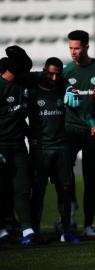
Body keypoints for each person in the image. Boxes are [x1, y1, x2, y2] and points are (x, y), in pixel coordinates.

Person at [63, 30, 95, 237]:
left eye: (77, 48)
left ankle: (88, 225)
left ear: (86, 47)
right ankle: (70, 210)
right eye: (71, 48)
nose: (73, 52)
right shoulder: (65, 72)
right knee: (65, 175)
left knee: (91, 179)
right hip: (69, 130)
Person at [27, 57, 80, 244]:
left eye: (58, 74)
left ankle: (67, 231)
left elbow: (72, 92)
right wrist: (31, 136)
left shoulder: (64, 89)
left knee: (64, 192)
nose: (55, 77)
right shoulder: (33, 91)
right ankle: (34, 232)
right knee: (38, 192)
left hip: (61, 148)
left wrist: (71, 91)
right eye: (51, 73)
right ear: (44, 71)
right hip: (40, 149)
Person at [0, 45, 35, 245]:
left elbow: (18, 118)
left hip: (18, 145)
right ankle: (3, 230)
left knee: (22, 187)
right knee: (2, 189)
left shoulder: (22, 85)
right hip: (1, 146)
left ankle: (28, 230)